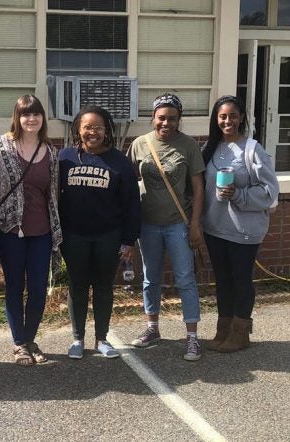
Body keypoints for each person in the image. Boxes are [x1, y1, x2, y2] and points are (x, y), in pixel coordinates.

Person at [0, 95, 62, 366]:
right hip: (10, 230)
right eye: (25, 114)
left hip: (42, 231)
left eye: (36, 113)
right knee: (15, 286)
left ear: (42, 118)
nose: (31, 119)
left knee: (38, 289)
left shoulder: (50, 151)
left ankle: (30, 338)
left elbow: (54, 194)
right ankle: (18, 344)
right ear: (17, 117)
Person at [126, 93, 205, 362]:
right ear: (153, 117)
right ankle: (152, 329)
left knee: (185, 279)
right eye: (162, 117)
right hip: (148, 224)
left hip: (177, 224)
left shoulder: (189, 146)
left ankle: (192, 337)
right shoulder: (139, 144)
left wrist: (195, 223)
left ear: (179, 120)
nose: (166, 123)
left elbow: (198, 187)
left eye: (172, 118)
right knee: (150, 279)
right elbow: (127, 184)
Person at [59, 105, 140, 360]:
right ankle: (77, 339)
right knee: (77, 286)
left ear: (106, 131)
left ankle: (102, 338)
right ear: (78, 129)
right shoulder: (65, 158)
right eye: (87, 127)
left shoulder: (120, 162)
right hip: (74, 236)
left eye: (98, 127)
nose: (92, 132)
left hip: (109, 236)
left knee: (104, 287)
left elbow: (131, 203)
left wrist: (128, 240)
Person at [201, 95, 279, 352]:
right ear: (216, 119)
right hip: (215, 227)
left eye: (233, 116)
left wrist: (238, 194)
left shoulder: (252, 149)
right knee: (222, 280)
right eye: (222, 116)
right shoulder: (210, 148)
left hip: (243, 230)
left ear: (242, 117)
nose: (227, 121)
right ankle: (223, 330)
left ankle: (239, 334)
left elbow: (270, 192)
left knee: (241, 279)